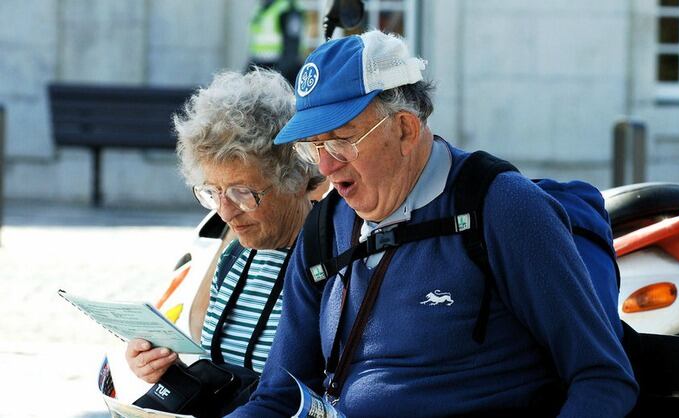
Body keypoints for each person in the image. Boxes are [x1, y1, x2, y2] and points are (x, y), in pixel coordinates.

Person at [230, 30, 638, 417]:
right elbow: (278, 397)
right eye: (313, 145)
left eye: (341, 139)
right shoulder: (325, 226)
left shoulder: (500, 206)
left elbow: (602, 378)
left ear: (405, 128)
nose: (326, 165)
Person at [124, 68, 323, 392]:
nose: (225, 212)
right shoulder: (234, 258)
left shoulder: (329, 262)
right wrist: (167, 370)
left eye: (242, 192)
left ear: (297, 177)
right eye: (213, 192)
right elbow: (228, 380)